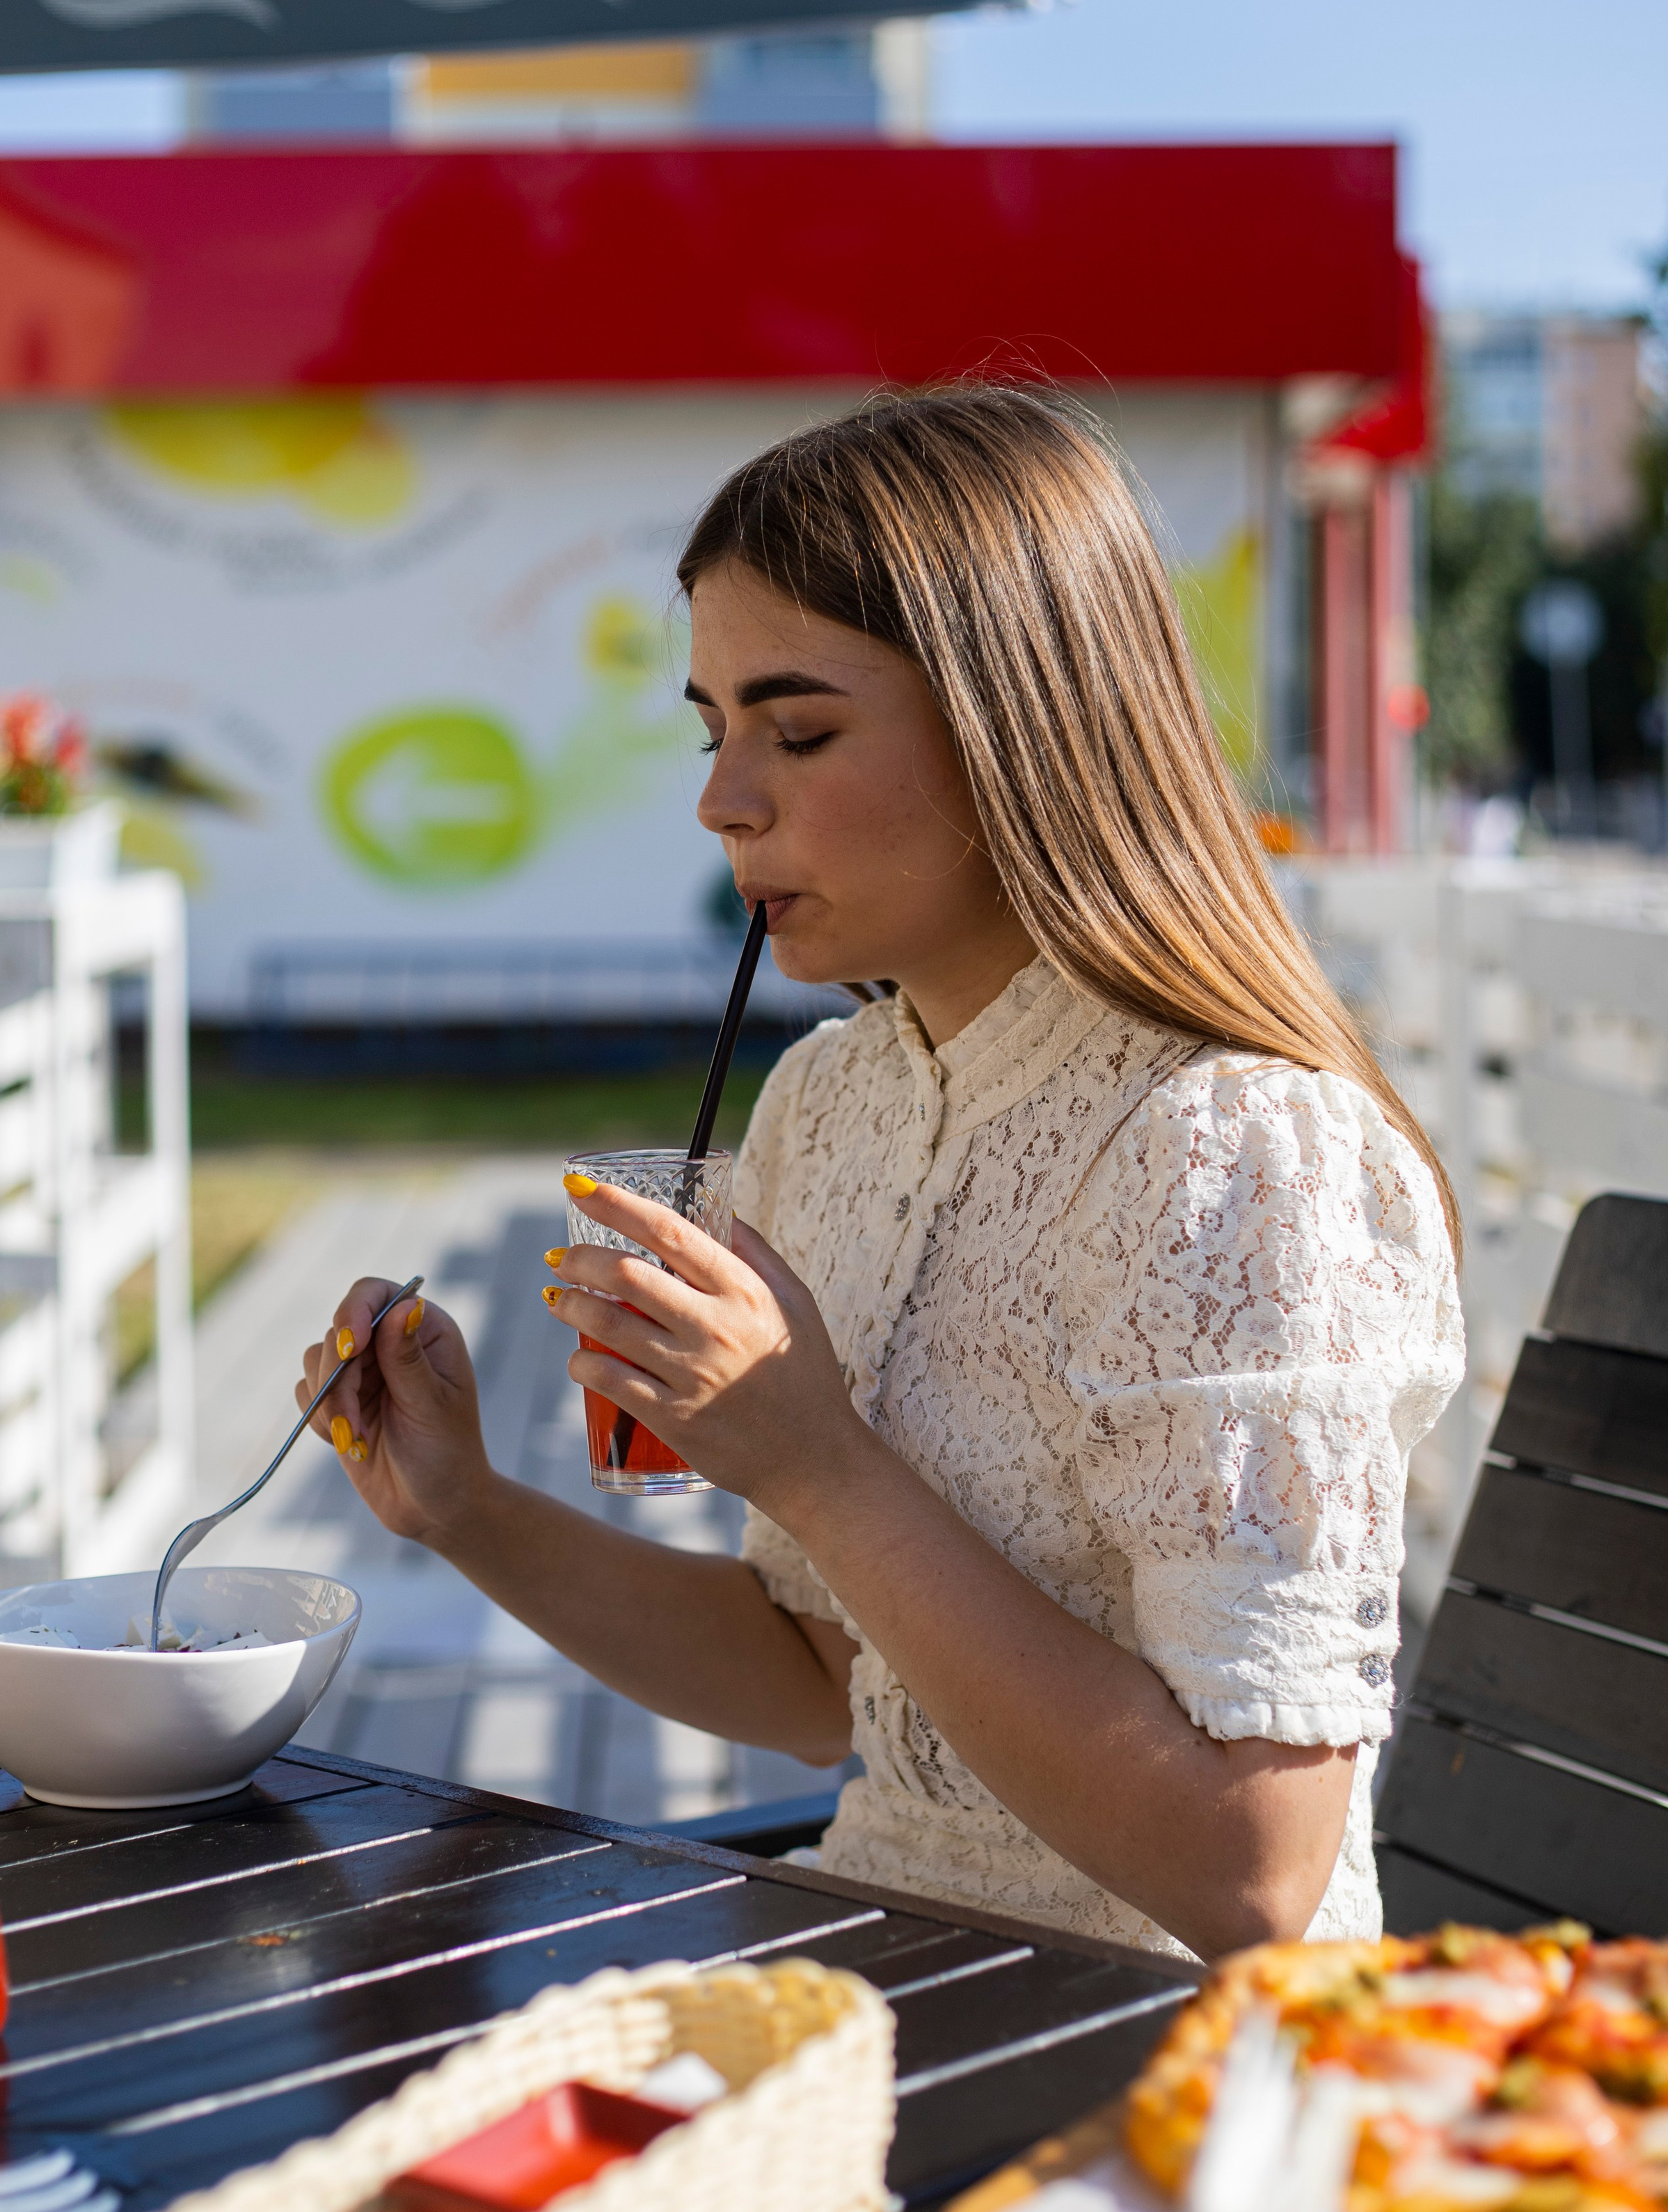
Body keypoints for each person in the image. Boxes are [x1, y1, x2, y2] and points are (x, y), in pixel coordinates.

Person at [299, 387, 1463, 1965]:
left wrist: (813, 1460)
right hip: (886, 1973)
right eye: (712, 734)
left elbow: (1251, 1876)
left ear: (1019, 734)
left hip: (1173, 2073)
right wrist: (468, 1511)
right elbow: (812, 1681)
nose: (722, 800)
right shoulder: (829, 1100)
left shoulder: (1233, 1150)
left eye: (800, 730)